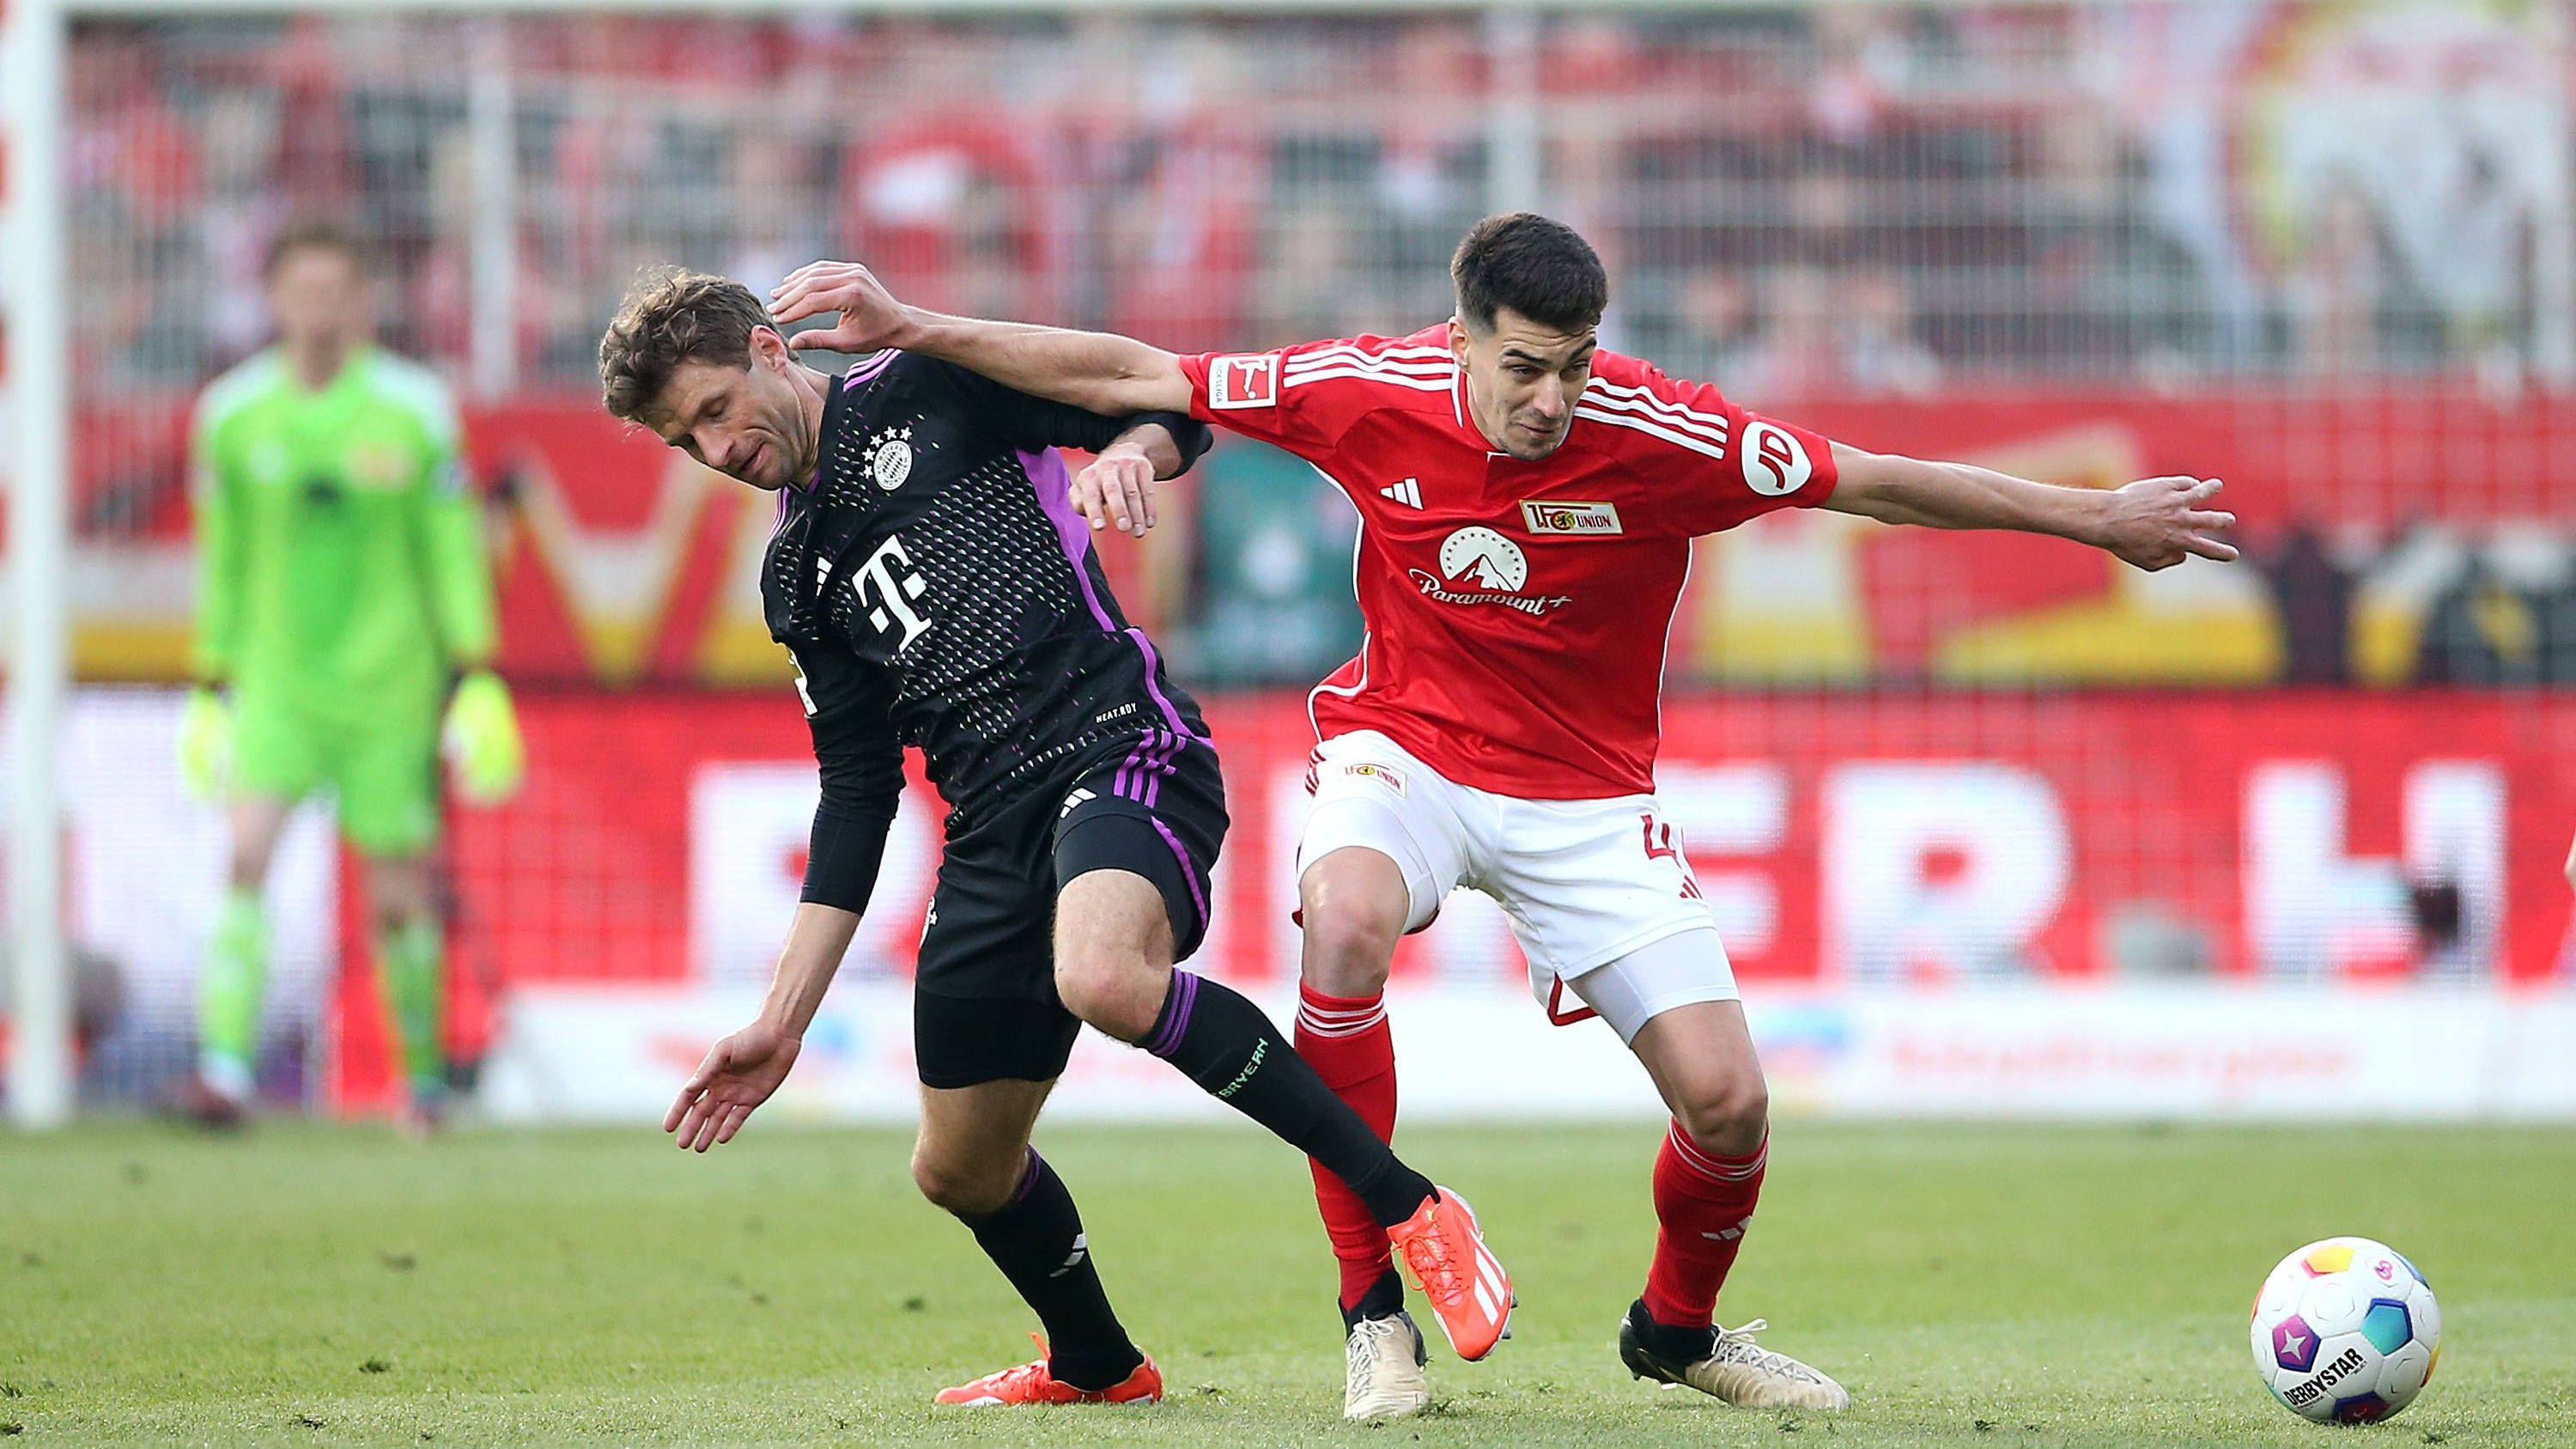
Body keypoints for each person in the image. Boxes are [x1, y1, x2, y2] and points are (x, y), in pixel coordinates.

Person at [765, 212, 2240, 1422]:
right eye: (1527, 367)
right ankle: (1373, 1308)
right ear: (1464, 336)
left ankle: (1676, 1331)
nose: (1553, 398)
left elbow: (1882, 485)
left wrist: (2095, 519)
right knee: (1341, 921)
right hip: (1400, 748)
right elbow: (1139, 368)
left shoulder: (1663, 433)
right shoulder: (1368, 389)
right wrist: (917, 325)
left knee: (1729, 1105)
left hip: (1587, 795)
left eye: (1575, 365)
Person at [600, 268, 1513, 1411]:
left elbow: (1165, 403)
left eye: (712, 409)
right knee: (958, 1166)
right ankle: (1097, 1360)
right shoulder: (796, 574)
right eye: (684, 440)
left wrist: (1133, 454)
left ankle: (1411, 1203)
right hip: (988, 835)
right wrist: (779, 1026)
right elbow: (854, 796)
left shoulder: (928, 386)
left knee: (1101, 973)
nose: (713, 449)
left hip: (1118, 745)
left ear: (768, 350)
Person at [173, 221, 522, 1134]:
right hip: (279, 682)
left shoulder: (414, 410)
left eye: (336, 292)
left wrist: (475, 675)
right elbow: (225, 564)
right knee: (245, 852)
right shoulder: (231, 414)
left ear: (364, 302)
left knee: (398, 893)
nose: (319, 310)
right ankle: (223, 1070)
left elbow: (450, 551)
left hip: (388, 687)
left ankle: (423, 1083)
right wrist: (211, 687)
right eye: (302, 291)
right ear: (275, 299)